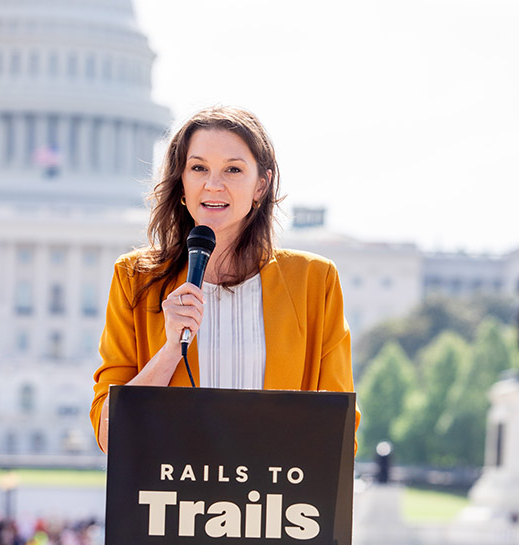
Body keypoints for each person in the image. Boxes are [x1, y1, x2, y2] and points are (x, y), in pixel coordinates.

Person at [89, 105, 359, 453]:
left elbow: (339, 434)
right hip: (169, 498)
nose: (213, 185)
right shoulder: (134, 278)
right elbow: (110, 435)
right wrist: (171, 349)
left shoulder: (314, 281)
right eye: (198, 168)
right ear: (182, 182)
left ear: (260, 185)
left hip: (272, 498)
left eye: (233, 169)